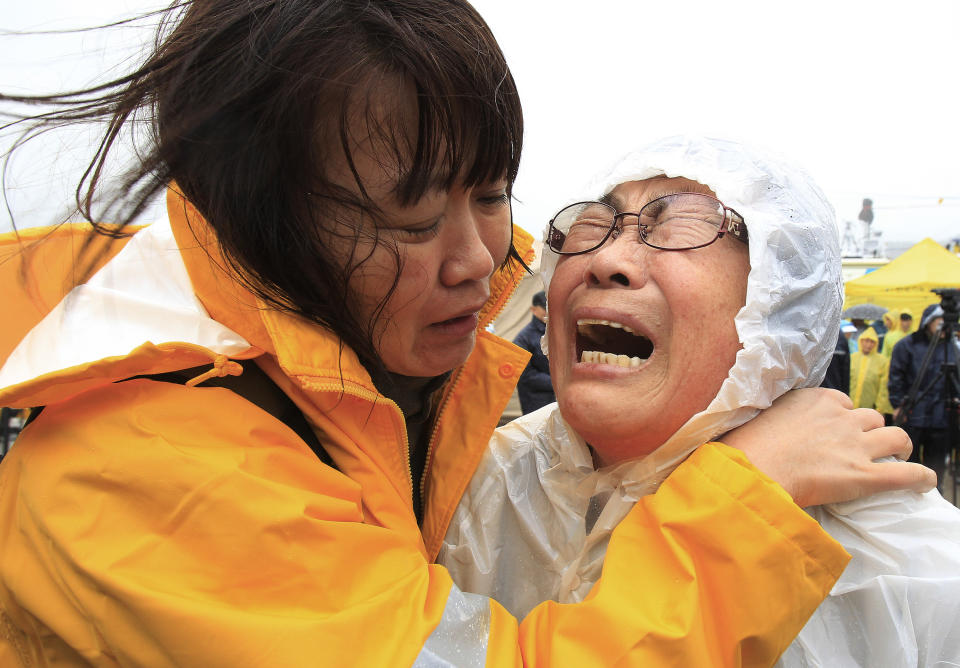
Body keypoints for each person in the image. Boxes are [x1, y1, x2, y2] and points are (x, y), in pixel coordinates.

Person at [0, 7, 933, 665]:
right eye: (408, 220)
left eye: (492, 193)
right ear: (260, 228)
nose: (484, 259)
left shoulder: (905, 559)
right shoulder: (160, 465)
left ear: (784, 310)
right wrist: (751, 503)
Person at [440, 136, 952, 667]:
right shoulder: (463, 482)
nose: (607, 259)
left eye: (680, 228)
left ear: (779, 304)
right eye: (593, 226)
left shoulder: (908, 562)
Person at [889, 303, 953, 489]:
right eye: (940, 322)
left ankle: (936, 493)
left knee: (936, 467)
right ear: (929, 322)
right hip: (914, 413)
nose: (944, 327)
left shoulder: (950, 347)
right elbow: (896, 377)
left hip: (940, 417)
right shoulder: (907, 345)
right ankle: (912, 494)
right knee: (912, 464)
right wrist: (898, 404)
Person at [512, 290, 556, 414]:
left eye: (550, 307)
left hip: (558, 400)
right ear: (533, 309)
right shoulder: (523, 338)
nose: (548, 311)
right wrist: (557, 382)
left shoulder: (556, 330)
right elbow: (525, 375)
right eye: (544, 308)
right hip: (535, 402)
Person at [848, 327, 893, 416]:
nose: (869, 344)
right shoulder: (852, 358)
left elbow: (883, 387)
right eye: (866, 341)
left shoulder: (882, 361)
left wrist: (880, 408)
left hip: (870, 409)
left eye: (872, 342)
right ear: (861, 341)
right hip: (848, 406)